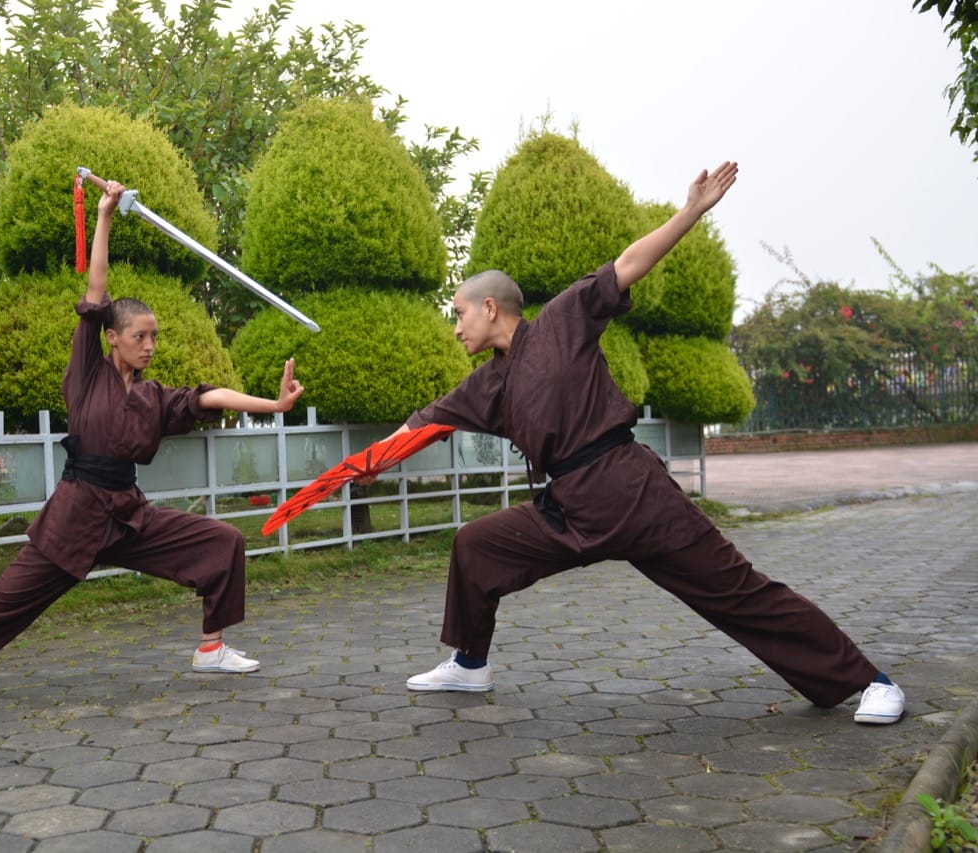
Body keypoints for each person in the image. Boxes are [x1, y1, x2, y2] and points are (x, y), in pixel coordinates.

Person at [367, 162, 905, 725]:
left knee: (737, 592)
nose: (455, 329)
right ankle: (470, 663)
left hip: (632, 492)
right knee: (476, 545)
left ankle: (871, 681)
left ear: (490, 308)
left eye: (458, 315)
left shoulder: (562, 320)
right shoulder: (487, 383)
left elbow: (628, 264)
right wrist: (370, 463)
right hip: (568, 509)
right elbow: (421, 426)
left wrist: (691, 211)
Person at [0, 180, 305, 700]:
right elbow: (96, 292)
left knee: (222, 543)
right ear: (111, 337)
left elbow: (210, 398)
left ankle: (211, 648)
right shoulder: (87, 372)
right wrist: (104, 216)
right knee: (2, 603)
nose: (149, 345)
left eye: (154, 336)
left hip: (127, 514)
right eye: (139, 336)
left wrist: (273, 406)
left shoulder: (154, 396)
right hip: (76, 518)